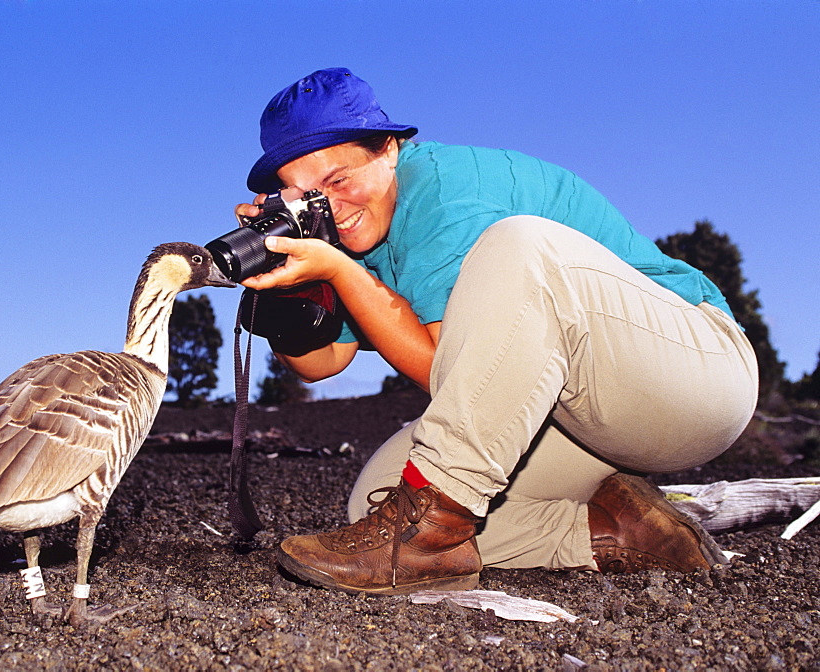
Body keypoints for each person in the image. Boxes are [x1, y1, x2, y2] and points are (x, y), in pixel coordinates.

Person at [235, 67, 758, 595]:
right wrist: (284, 284)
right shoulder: (350, 234)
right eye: (305, 196)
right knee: (376, 496)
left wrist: (340, 271)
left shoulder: (446, 196)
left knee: (520, 244)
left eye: (339, 180)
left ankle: (429, 541)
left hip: (696, 374)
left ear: (389, 149)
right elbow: (320, 364)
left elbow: (451, 375)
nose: (331, 207)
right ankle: (617, 531)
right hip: (584, 417)